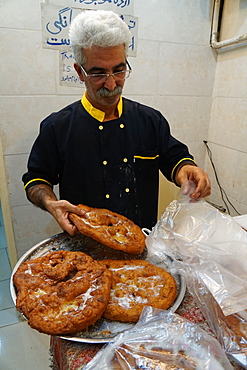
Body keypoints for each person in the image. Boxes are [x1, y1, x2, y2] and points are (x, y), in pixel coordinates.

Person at [22, 10, 211, 236]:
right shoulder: (57, 127)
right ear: (79, 72)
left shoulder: (150, 120)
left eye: (119, 70)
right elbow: (36, 180)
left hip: (140, 242)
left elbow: (174, 159)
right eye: (98, 73)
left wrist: (187, 171)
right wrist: (51, 203)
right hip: (85, 246)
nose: (112, 84)